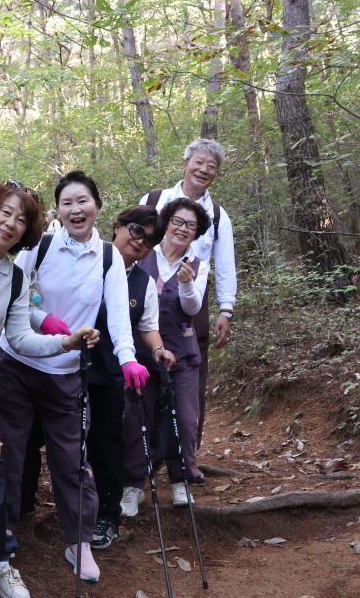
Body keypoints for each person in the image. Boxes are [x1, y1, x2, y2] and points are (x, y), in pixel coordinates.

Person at [0, 171, 150, 582]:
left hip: (67, 373)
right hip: (18, 363)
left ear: (97, 206)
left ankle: (79, 541)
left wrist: (129, 359)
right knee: (8, 450)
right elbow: (15, 297)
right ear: (58, 210)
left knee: (71, 459)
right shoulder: (39, 246)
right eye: (67, 203)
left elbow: (118, 316)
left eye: (83, 201)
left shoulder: (109, 257)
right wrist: (44, 320)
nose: (76, 210)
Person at [0, 180, 100, 598]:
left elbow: (19, 333)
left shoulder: (16, 274)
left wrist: (66, 342)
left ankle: (7, 555)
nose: (11, 223)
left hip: (5, 379)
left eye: (21, 219)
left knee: (37, 458)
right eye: (4, 212)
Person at [86, 205, 176, 548]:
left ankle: (106, 517)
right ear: (118, 227)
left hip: (110, 371)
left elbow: (147, 326)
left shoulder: (143, 282)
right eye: (137, 230)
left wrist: (157, 350)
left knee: (106, 439)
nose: (141, 242)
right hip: (63, 367)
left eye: (151, 240)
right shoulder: (85, 262)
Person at [140, 138, 236, 446]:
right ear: (185, 164)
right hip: (146, 297)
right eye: (198, 162)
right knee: (145, 371)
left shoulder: (218, 216)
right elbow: (134, 244)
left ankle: (186, 456)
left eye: (211, 166)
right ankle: (146, 456)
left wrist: (225, 309)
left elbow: (224, 266)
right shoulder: (156, 199)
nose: (203, 170)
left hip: (192, 304)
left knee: (191, 378)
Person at [127, 198, 210, 507]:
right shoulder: (143, 256)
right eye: (178, 221)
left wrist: (187, 285)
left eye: (191, 225)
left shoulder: (198, 265)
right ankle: (134, 483)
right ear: (166, 222)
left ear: (196, 232)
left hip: (182, 352)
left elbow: (192, 307)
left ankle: (180, 478)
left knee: (185, 419)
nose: (183, 229)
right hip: (140, 353)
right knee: (137, 417)